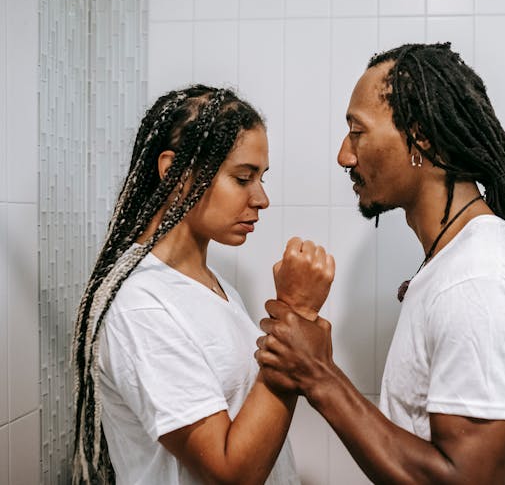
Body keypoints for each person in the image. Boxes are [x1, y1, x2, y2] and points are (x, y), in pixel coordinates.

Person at [255, 43, 505, 484]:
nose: (344, 155)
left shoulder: (478, 279)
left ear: (420, 136)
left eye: (357, 131)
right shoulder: (457, 263)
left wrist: (319, 376)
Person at [71, 85, 334, 484]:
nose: (261, 198)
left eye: (261, 178)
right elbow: (231, 473)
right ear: (174, 172)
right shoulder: (142, 306)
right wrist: (295, 314)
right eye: (243, 177)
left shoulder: (214, 286)